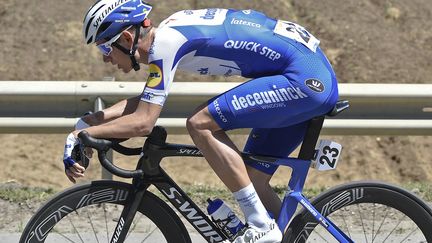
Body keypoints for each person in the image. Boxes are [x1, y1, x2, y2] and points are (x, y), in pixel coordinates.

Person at [63, 1, 339, 242]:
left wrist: (80, 136)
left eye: (105, 47)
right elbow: (148, 101)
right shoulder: (169, 34)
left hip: (304, 80)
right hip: (304, 73)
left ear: (126, 37)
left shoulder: (166, 43)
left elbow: (144, 122)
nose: (105, 57)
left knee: (199, 123)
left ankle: (260, 225)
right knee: (252, 179)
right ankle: (277, 232)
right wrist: (90, 122)